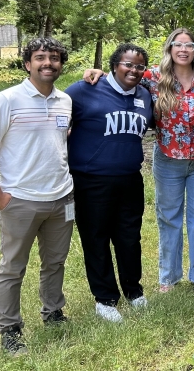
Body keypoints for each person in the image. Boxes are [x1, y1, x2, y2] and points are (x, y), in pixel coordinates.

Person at [84, 28, 194, 296]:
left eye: (189, 45)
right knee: (168, 218)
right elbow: (123, 77)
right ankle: (168, 276)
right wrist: (97, 73)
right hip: (167, 160)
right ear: (169, 49)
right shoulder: (153, 77)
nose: (183, 50)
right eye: (177, 45)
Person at [0, 38, 74, 354]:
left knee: (55, 262)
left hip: (62, 198)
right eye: (40, 57)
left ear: (61, 64)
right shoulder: (7, 100)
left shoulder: (65, 101)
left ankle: (54, 313)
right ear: (27, 63)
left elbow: (58, 143)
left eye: (55, 58)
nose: (48, 63)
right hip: (20, 200)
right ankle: (10, 331)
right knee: (12, 267)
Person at [66, 43, 154, 322]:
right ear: (115, 65)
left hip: (130, 179)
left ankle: (134, 291)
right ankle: (105, 299)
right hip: (91, 180)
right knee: (96, 239)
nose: (134, 70)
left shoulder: (145, 95)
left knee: (130, 238)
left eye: (140, 66)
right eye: (128, 63)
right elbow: (56, 118)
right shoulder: (83, 90)